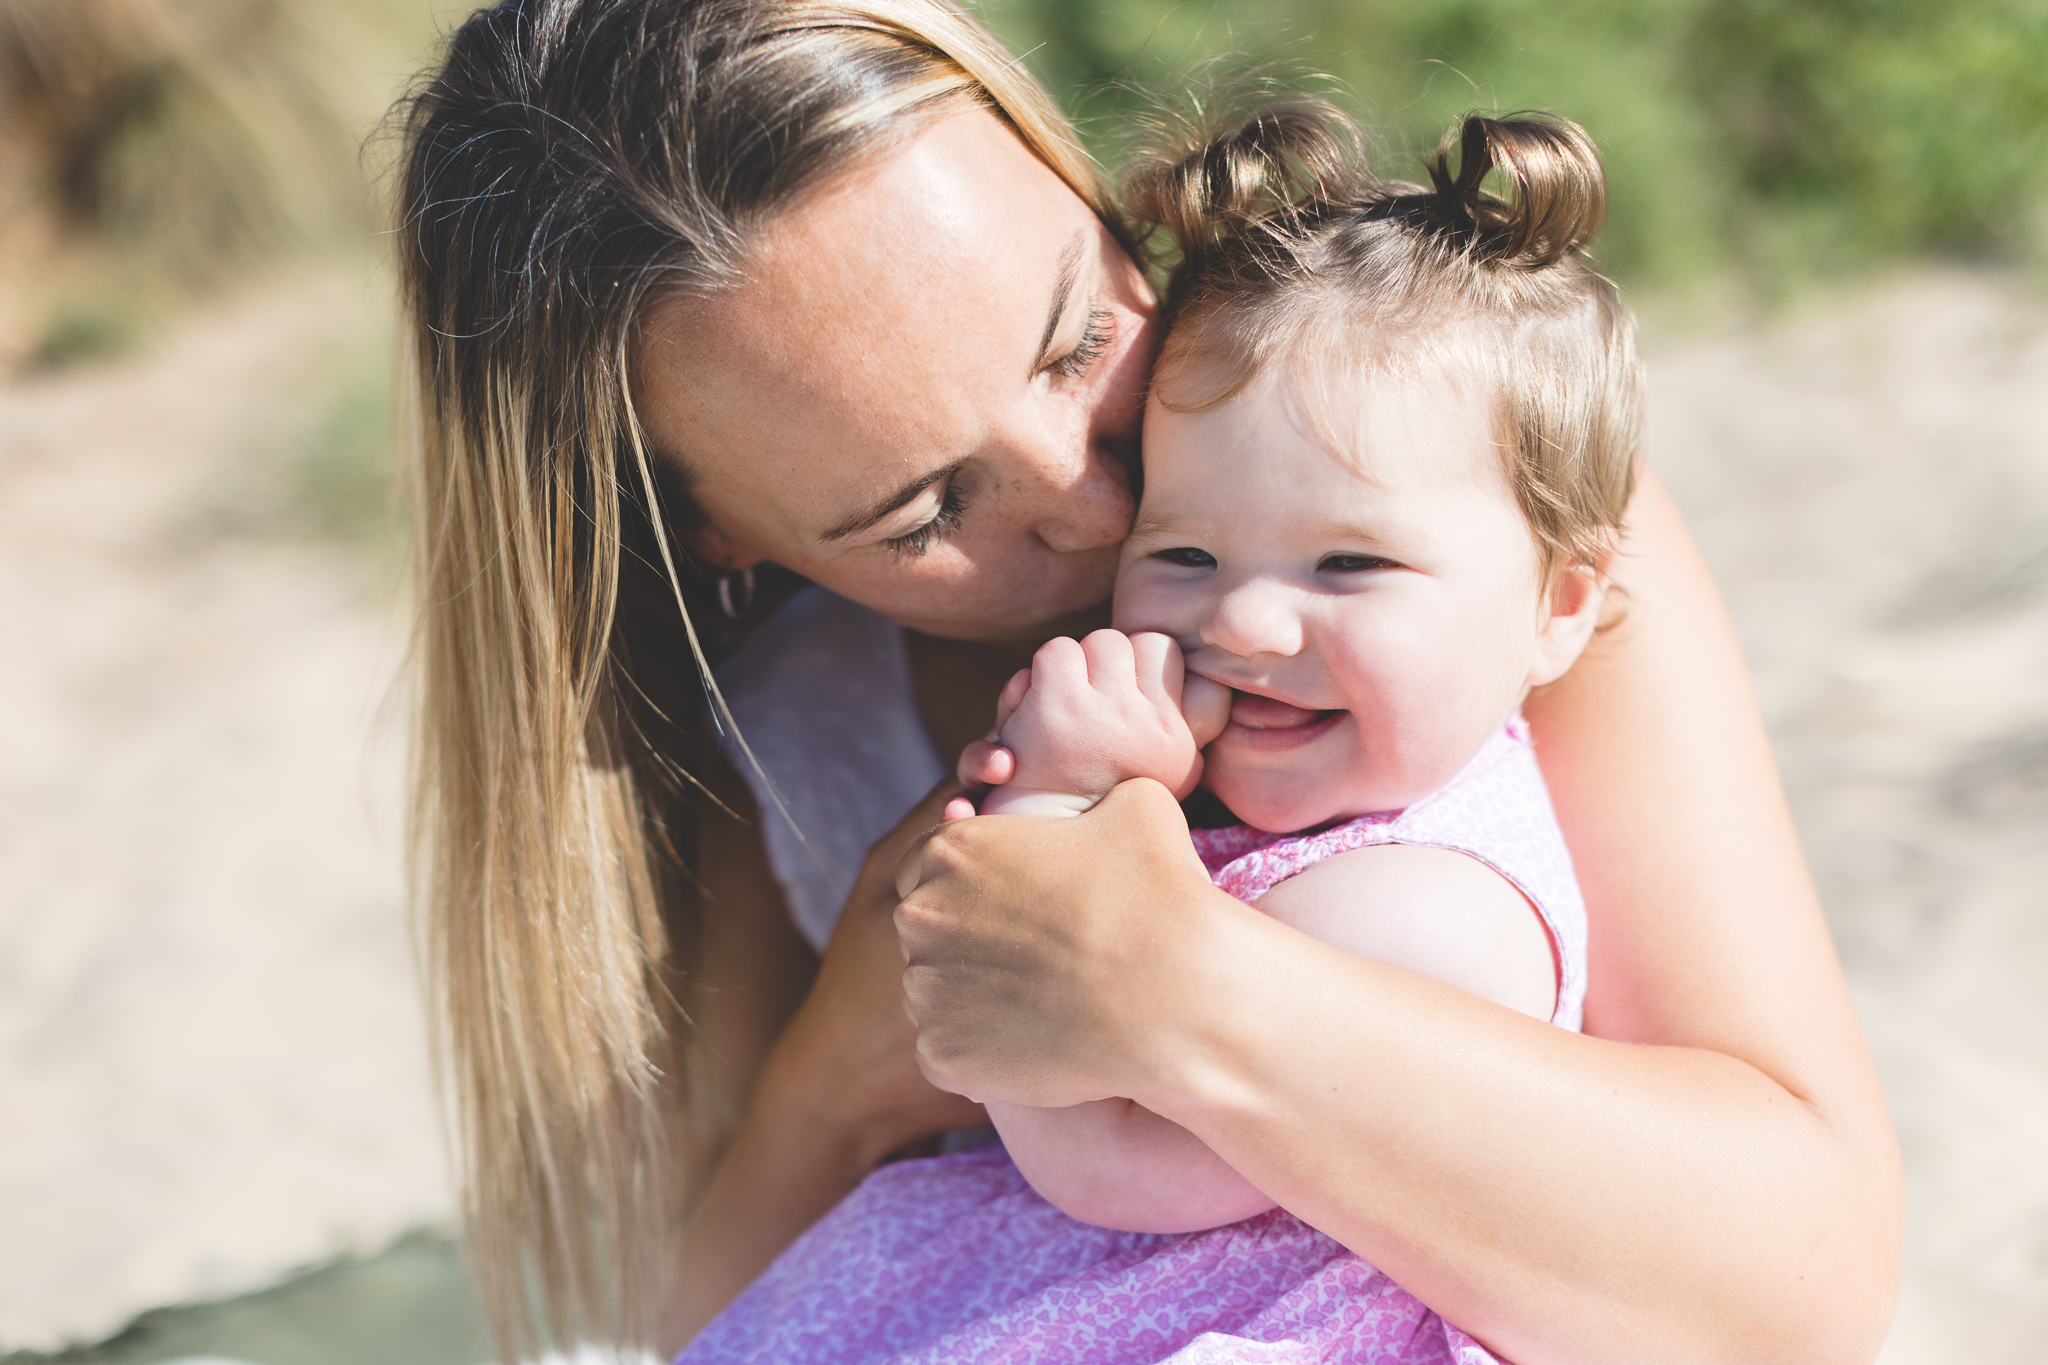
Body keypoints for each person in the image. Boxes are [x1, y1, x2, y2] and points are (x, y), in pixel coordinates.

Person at [393, 3, 1900, 1363]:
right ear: (721, 534)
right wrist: (844, 1069)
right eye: (927, 509)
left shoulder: (1445, 492)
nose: (1102, 504)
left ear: (1059, 166)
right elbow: (690, 1310)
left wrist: (1173, 988)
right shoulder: (774, 722)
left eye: (1079, 342)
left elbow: (1806, 1277)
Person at [941, 106, 1624, 1247]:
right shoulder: (1350, 818)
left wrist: (1044, 818)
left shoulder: (1425, 915)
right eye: (1183, 554)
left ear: (1555, 606)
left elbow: (1117, 1168)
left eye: (1349, 562)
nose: (1246, 622)